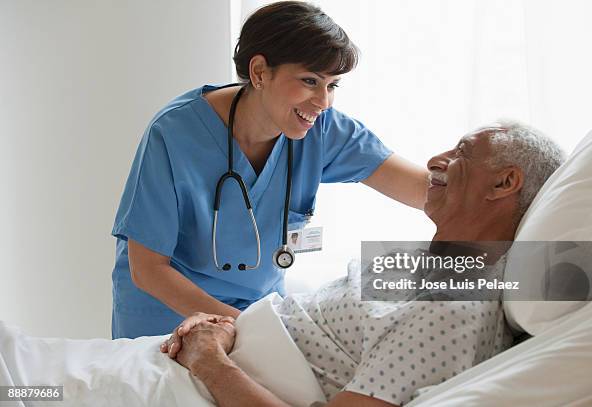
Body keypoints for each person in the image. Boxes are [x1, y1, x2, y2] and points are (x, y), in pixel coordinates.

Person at [161, 120, 566, 406]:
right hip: (206, 358)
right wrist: (222, 330)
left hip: (207, 379)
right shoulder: (418, 261)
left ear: (503, 183)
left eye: (461, 152)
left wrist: (208, 361)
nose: (433, 160)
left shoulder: (452, 307)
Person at [111, 1, 429, 339]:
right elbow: (148, 270)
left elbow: (423, 190)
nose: (323, 101)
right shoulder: (175, 133)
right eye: (310, 81)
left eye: (332, 85)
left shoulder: (322, 129)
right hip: (169, 317)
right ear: (260, 72)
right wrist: (251, 330)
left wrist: (486, 189)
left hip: (258, 312)